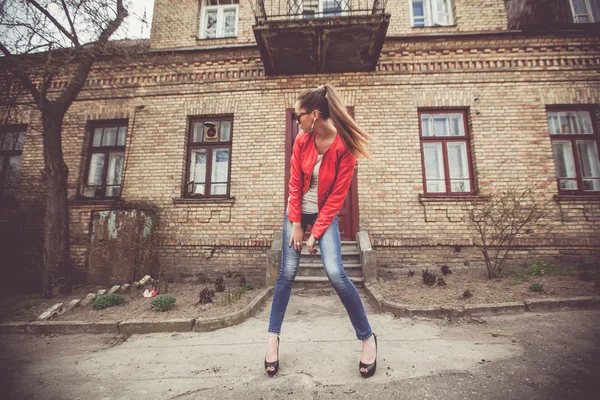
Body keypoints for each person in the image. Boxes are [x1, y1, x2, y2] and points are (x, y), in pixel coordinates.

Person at [264, 84, 377, 378]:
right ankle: (272, 337)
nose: (295, 121)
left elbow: (337, 198)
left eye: (297, 115)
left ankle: (367, 338)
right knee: (287, 273)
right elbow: (293, 185)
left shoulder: (345, 147)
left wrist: (315, 234)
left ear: (314, 114)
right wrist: (298, 225)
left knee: (336, 272)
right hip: (297, 213)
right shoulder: (302, 141)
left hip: (325, 216)